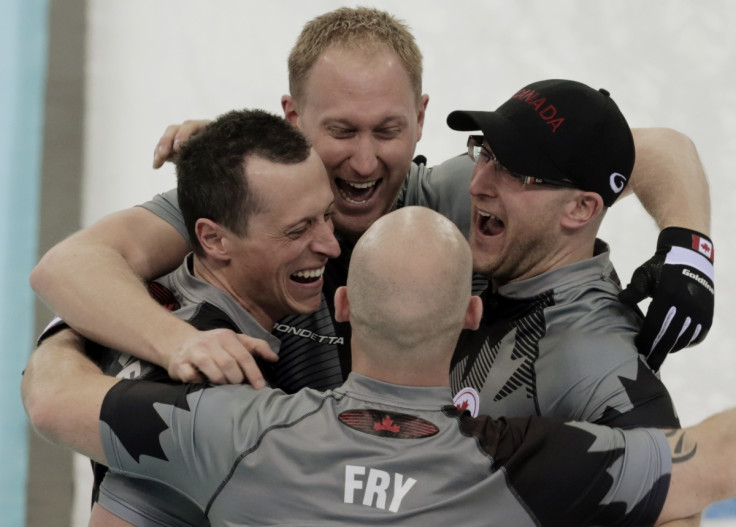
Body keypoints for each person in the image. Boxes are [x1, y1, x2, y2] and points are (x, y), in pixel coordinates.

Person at [29, 8, 713, 388]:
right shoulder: (248, 201)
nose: (364, 159)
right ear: (292, 116)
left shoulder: (452, 198)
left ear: (421, 117)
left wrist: (690, 247)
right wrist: (177, 343)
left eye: (387, 130)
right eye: (340, 130)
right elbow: (67, 267)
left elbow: (650, 147)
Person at [22, 206, 736, 526]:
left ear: (341, 305)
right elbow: (717, 458)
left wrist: (68, 331)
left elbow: (53, 401)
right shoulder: (539, 466)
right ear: (470, 316)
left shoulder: (233, 429)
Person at [59, 108, 340, 526]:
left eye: (327, 215)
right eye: (297, 230)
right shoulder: (200, 381)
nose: (331, 246)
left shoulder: (153, 290)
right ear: (214, 238)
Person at [448, 80, 714, 429]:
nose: (475, 185)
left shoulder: (596, 363)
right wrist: (691, 245)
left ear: (581, 209)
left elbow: (678, 475)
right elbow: (660, 147)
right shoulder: (492, 225)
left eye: (513, 169)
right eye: (485, 152)